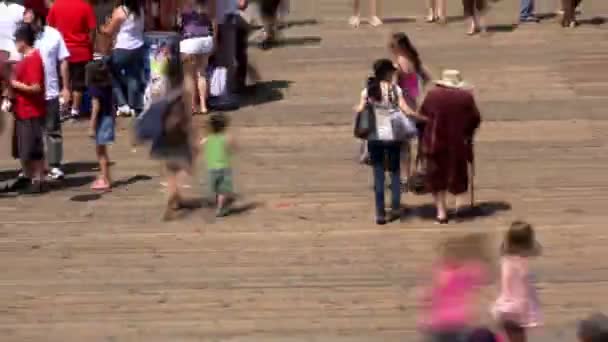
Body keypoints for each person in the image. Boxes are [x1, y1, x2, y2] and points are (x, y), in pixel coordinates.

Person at [355, 59, 421, 225]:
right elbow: (405, 109)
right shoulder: (394, 89)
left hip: (375, 135)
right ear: (387, 73)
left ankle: (380, 213)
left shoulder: (368, 90)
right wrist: (418, 116)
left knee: (378, 173)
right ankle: (396, 207)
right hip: (392, 134)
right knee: (395, 171)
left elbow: (360, 109)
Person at [419, 69, 481, 224]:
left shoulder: (433, 96)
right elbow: (475, 119)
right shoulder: (466, 97)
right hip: (458, 142)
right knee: (458, 174)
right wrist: (467, 133)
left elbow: (423, 115)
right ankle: (459, 207)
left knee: (436, 177)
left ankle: (441, 213)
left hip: (435, 141)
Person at [149, 56, 198, 221]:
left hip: (164, 134)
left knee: (170, 170)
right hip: (179, 136)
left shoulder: (162, 91)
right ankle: (175, 195)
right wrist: (192, 134)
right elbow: (186, 118)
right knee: (181, 167)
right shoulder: (183, 93)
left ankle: (174, 197)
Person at [24, 7, 70, 181]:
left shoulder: (54, 34)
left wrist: (65, 87)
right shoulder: (23, 36)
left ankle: (54, 165)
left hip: (50, 90)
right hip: (28, 92)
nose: (27, 24)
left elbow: (63, 61)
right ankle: (31, 166)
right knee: (30, 132)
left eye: (30, 20)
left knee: (53, 130)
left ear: (38, 18)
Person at [420, 233, 490, 342]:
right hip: (458, 320)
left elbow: (428, 296)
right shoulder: (469, 270)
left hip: (440, 322)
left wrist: (425, 317)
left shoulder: (440, 271)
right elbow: (483, 274)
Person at [389, 33, 430, 190]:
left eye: (392, 47)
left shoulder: (397, 64)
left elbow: (392, 87)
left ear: (399, 47)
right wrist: (417, 90)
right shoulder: (414, 61)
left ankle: (405, 179)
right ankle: (418, 173)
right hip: (415, 103)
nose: (391, 50)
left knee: (403, 146)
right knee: (418, 142)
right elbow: (426, 78)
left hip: (403, 107)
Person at [10, 24, 46, 194]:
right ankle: (27, 176)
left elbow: (36, 87)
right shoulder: (26, 58)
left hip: (31, 110)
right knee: (24, 148)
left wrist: (16, 84)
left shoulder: (33, 59)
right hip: (22, 109)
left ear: (22, 41)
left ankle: (38, 180)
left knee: (34, 148)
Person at [492, 221, 542, 342]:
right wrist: (526, 312)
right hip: (516, 309)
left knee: (513, 337)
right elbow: (522, 291)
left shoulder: (506, 259)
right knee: (518, 339)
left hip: (506, 306)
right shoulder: (520, 264)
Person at [47, 0, 97, 120]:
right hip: (81, 50)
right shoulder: (85, 6)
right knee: (78, 84)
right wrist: (89, 45)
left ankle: (63, 109)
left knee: (62, 83)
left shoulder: (56, 6)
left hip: (61, 51)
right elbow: (93, 29)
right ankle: (75, 110)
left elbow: (49, 27)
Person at [102, 0, 145, 117]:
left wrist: (102, 28)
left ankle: (122, 103)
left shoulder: (121, 11)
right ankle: (134, 105)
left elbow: (109, 31)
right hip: (138, 47)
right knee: (133, 76)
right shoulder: (140, 10)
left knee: (108, 71)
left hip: (123, 48)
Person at [179, 0, 214, 115]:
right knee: (202, 74)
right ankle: (203, 106)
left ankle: (192, 106)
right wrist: (215, 39)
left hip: (189, 40)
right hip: (206, 38)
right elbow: (214, 19)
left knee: (188, 76)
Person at [87, 58, 114, 190]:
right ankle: (106, 177)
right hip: (109, 118)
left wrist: (91, 126)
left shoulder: (94, 88)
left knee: (100, 152)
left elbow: (96, 107)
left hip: (102, 120)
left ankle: (105, 179)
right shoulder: (108, 84)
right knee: (103, 151)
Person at [201, 113, 236, 217]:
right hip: (224, 167)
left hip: (211, 168)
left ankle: (218, 203)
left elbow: (200, 145)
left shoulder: (207, 138)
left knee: (216, 188)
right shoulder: (226, 138)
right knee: (223, 190)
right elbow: (232, 148)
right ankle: (220, 209)